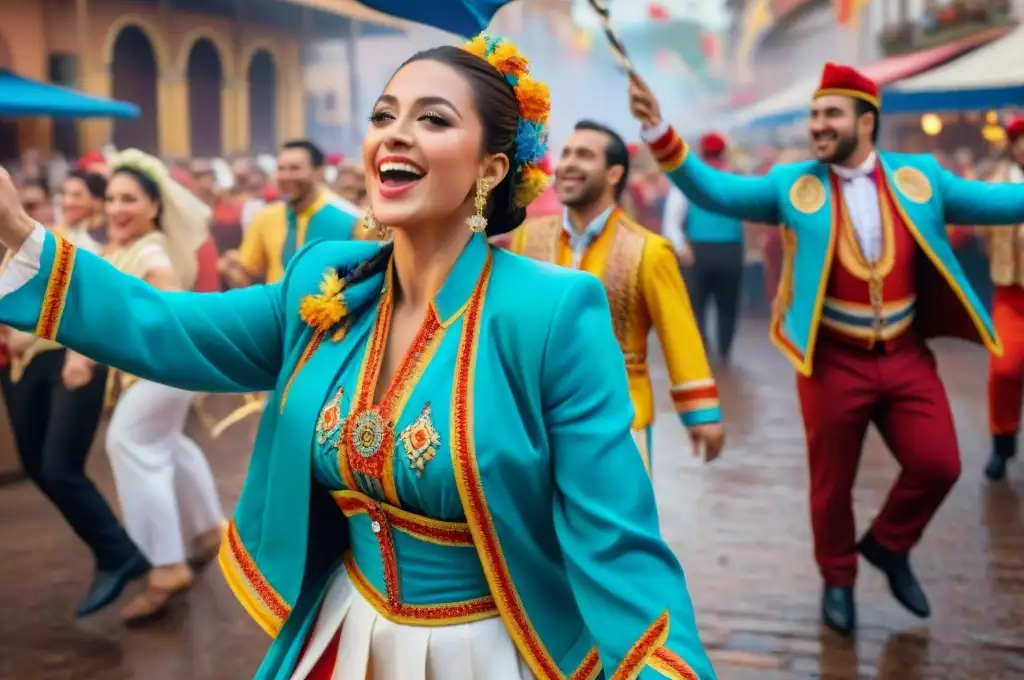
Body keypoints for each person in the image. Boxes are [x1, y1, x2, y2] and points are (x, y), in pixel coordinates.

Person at [0, 35, 717, 679]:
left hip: (490, 649)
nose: (395, 135)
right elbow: (168, 328)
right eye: (383, 116)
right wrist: (18, 235)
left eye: (433, 120)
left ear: (492, 167)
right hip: (346, 634)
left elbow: (617, 542)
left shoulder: (551, 312)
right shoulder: (329, 282)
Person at [628, 63, 1024, 637]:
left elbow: (1002, 201)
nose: (817, 124)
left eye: (830, 114)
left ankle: (888, 544)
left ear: (866, 121)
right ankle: (837, 580)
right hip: (832, 360)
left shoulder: (921, 177)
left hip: (905, 356)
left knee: (940, 463)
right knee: (832, 484)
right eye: (814, 114)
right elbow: (714, 190)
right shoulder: (793, 184)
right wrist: (658, 131)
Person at [510, 119, 723, 473]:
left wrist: (702, 413)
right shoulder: (527, 238)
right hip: (535, 420)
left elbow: (679, 333)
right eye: (566, 153)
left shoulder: (649, 250)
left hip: (620, 422)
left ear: (614, 173)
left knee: (618, 509)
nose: (568, 164)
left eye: (584, 155)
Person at [0, 175, 147, 618]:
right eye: (63, 193)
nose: (67, 200)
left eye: (77, 195)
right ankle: (120, 551)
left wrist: (82, 356)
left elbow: (94, 306)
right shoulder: (36, 240)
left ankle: (120, 551)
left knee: (60, 467)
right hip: (21, 364)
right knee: (36, 464)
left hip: (66, 359)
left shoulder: (87, 246)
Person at [97, 150, 228, 623]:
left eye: (129, 199)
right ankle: (208, 530)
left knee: (128, 442)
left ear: (154, 206)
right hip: (163, 369)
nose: (117, 208)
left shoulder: (151, 252)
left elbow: (170, 306)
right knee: (166, 443)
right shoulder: (124, 247)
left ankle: (167, 565)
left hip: (164, 368)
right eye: (112, 198)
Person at [219, 139, 362, 287]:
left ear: (319, 172)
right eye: (281, 168)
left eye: (295, 169)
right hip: (278, 301)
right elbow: (249, 272)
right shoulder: (266, 217)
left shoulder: (349, 219)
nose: (285, 176)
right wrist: (230, 269)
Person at [661, 133, 746, 363]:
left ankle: (703, 351)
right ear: (724, 151)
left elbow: (671, 221)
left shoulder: (688, 180)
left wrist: (681, 247)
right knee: (728, 305)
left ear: (701, 151)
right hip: (731, 250)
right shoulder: (736, 179)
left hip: (698, 250)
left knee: (696, 304)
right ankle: (725, 352)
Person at [982, 116, 1024, 481]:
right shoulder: (997, 182)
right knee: (1004, 370)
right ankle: (1002, 442)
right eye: (1019, 139)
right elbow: (975, 225)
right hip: (1012, 293)